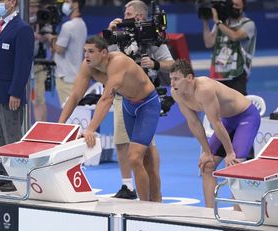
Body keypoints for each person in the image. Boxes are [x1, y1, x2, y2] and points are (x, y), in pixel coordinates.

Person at [59, 36, 161, 202]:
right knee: (142, 158)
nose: (86, 55)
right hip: (128, 105)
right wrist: (60, 124)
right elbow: (76, 95)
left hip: (147, 105)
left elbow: (107, 98)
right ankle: (150, 204)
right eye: (85, 51)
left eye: (91, 51)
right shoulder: (88, 66)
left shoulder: (117, 62)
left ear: (104, 52)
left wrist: (90, 129)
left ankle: (150, 204)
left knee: (136, 158)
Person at [170, 59, 261, 208]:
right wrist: (206, 152)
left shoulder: (204, 89)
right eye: (171, 79)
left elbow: (216, 122)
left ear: (190, 78)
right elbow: (193, 123)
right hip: (228, 122)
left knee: (234, 165)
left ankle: (237, 214)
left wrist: (230, 152)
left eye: (176, 79)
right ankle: (209, 214)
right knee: (207, 165)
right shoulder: (176, 94)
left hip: (246, 117)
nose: (172, 84)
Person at [107, 0, 174, 200]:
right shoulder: (119, 36)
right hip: (122, 97)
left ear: (140, 16)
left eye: (129, 13)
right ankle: (127, 186)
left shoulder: (153, 38)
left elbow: (170, 64)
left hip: (146, 99)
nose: (125, 16)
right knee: (121, 141)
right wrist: (111, 33)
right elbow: (108, 59)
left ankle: (154, 194)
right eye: (125, 13)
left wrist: (154, 63)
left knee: (147, 149)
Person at [0, 0, 34, 192]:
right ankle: (2, 174)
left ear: (12, 2)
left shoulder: (22, 29)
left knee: (11, 135)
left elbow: (23, 63)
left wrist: (16, 92)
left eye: (1, 0)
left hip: (9, 93)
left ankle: (16, 177)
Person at [202, 0, 256, 95]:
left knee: (239, 106)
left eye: (237, 5)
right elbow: (208, 43)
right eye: (232, 4)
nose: (234, 7)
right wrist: (205, 22)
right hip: (219, 73)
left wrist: (217, 22)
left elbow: (235, 36)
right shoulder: (221, 23)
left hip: (237, 73)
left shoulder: (248, 24)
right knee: (218, 106)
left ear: (243, 7)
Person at [45, 0, 87, 106]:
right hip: (76, 75)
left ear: (76, 4)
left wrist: (51, 39)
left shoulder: (68, 26)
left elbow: (59, 49)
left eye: (68, 1)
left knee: (68, 113)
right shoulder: (82, 24)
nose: (65, 4)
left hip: (65, 77)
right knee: (75, 112)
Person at [30, 0, 48, 121]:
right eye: (31, 6)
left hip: (39, 66)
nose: (33, 9)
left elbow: (50, 38)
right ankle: (40, 126)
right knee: (33, 100)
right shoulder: (22, 21)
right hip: (26, 66)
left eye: (36, 7)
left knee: (38, 100)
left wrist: (43, 37)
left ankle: (41, 126)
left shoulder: (44, 22)